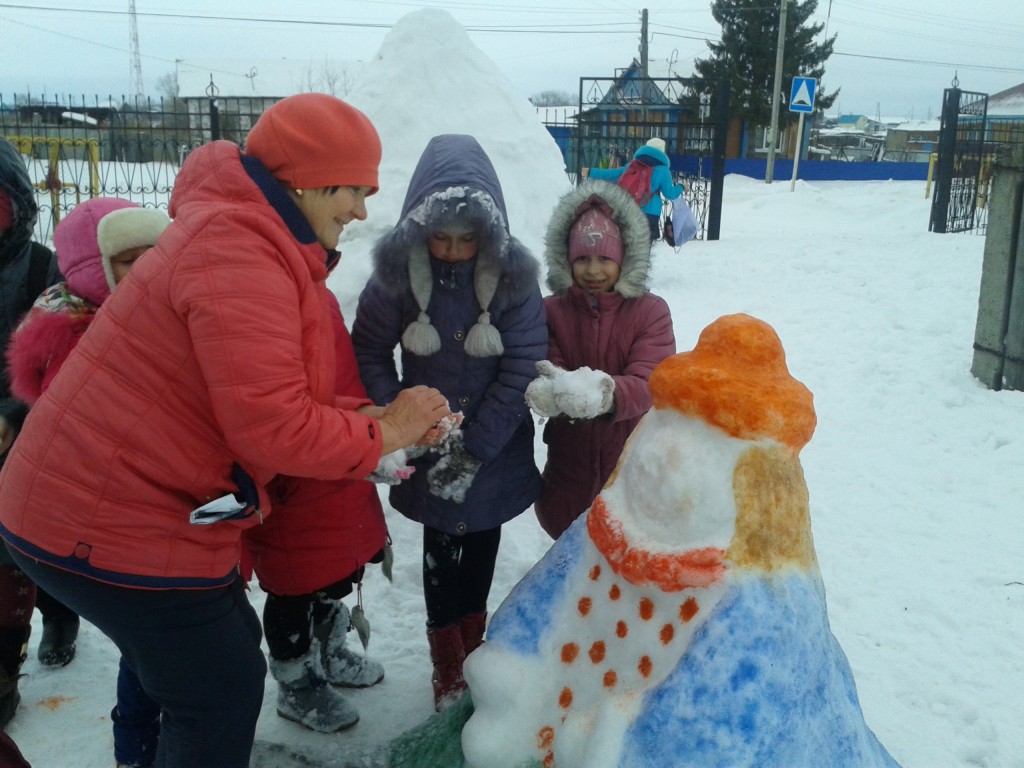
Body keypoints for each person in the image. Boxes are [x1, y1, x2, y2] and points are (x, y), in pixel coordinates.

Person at [0, 93, 451, 768]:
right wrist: (388, 433)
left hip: (129, 507)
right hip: (106, 518)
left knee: (225, 654)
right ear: (308, 181)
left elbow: (259, 393)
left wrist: (369, 421)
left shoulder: (248, 239)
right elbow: (274, 427)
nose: (361, 210)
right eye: (355, 190)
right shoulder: (241, 252)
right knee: (218, 691)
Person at [351, 133, 547, 711]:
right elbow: (369, 349)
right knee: (439, 550)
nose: (454, 251)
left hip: (492, 447)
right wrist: (403, 420)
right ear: (419, 227)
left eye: (468, 239)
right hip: (429, 444)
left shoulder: (513, 279)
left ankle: (472, 650)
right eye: (441, 238)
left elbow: (522, 364)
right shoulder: (397, 276)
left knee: (481, 542)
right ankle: (445, 663)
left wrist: (478, 445)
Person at [6, 196, 170, 768]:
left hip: (144, 504)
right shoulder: (80, 337)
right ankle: (136, 748)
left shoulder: (144, 312)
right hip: (116, 512)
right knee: (147, 643)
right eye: (128, 259)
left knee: (156, 644)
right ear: (91, 270)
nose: (146, 268)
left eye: (154, 253)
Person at [243, 288, 390, 734]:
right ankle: (296, 683)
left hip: (341, 445)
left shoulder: (317, 292)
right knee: (292, 584)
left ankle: (327, 649)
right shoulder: (255, 295)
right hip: (293, 467)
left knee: (334, 569)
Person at [525, 179, 676, 539]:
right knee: (570, 543)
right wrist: (551, 390)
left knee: (626, 549)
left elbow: (650, 380)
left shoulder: (650, 312)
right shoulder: (552, 311)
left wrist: (606, 395)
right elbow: (547, 362)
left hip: (630, 463)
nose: (593, 270)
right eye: (582, 259)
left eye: (604, 259)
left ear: (625, 258)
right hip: (569, 466)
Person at [0, 139, 60, 729]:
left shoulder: (43, 269)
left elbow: (60, 363)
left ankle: (58, 617)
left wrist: (13, 415)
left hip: (26, 429)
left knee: (33, 543)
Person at [584, 137, 683, 242]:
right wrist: (681, 187)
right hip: (651, 213)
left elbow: (611, 174)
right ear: (662, 151)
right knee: (644, 247)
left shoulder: (633, 165)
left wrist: (590, 172)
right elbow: (669, 194)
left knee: (629, 244)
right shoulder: (663, 171)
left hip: (631, 210)